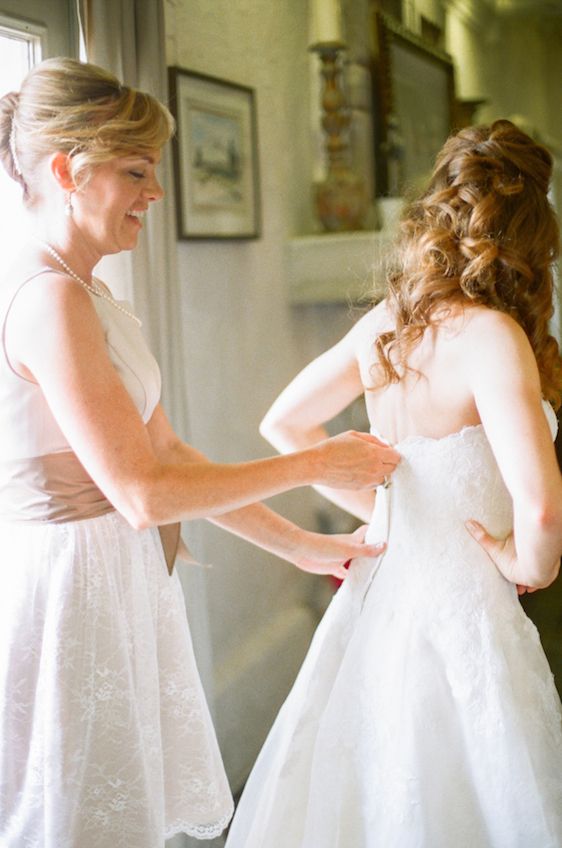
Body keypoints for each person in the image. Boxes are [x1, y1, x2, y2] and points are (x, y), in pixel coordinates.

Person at [0, 57, 401, 848]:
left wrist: (306, 547)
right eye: (137, 171)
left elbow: (172, 455)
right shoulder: (45, 299)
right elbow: (144, 493)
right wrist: (317, 463)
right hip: (72, 590)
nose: (155, 192)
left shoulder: (92, 293)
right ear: (66, 171)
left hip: (120, 580)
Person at [225, 119, 562, 847]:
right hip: (468, 609)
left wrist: (384, 509)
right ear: (533, 243)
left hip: (383, 599)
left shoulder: (390, 325)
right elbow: (538, 504)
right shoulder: (495, 338)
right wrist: (525, 562)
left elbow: (285, 425)